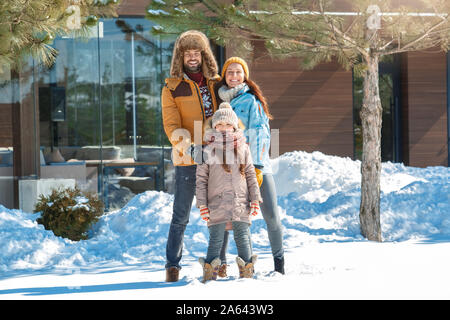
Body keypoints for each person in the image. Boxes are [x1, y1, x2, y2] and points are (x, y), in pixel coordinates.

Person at [215, 57, 285, 275]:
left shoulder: (251, 101)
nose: (234, 76)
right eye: (230, 73)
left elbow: (262, 134)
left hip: (257, 166)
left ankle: (279, 264)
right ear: (224, 76)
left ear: (244, 76)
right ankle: (227, 264)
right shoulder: (221, 103)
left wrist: (255, 167)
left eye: (238, 72)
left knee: (271, 214)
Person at [161, 30, 220, 282]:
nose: (193, 58)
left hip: (216, 157)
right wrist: (189, 146)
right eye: (188, 54)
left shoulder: (218, 84)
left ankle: (220, 262)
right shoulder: (172, 88)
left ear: (204, 55)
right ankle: (172, 266)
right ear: (181, 57)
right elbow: (171, 126)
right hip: (188, 159)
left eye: (197, 53)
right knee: (181, 216)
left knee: (219, 214)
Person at [196, 102, 262, 282]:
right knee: (215, 239)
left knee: (242, 237)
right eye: (219, 124)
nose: (223, 128)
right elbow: (201, 180)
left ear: (234, 126)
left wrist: (255, 199)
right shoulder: (206, 150)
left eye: (227, 124)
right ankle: (210, 273)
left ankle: (247, 271)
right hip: (216, 204)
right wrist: (202, 204)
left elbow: (250, 174)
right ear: (214, 127)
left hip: (240, 202)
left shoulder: (244, 148)